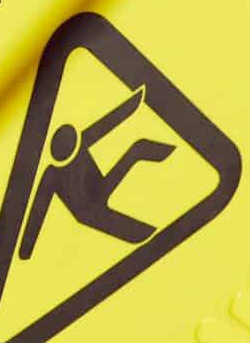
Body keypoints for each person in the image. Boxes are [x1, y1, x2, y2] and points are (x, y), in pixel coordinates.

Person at [18, 84, 175, 258]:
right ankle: (146, 235)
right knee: (135, 232)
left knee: (138, 149)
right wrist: (25, 250)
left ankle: (162, 153)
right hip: (87, 212)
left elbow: (107, 124)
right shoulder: (51, 174)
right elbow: (37, 213)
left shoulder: (80, 143)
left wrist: (133, 103)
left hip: (101, 187)